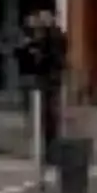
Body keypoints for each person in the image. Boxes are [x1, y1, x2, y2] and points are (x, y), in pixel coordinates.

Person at [32, 8, 67, 166]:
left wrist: (41, 55)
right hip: (44, 78)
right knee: (45, 117)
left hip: (51, 79)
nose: (42, 20)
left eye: (45, 17)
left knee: (51, 117)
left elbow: (56, 57)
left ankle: (53, 152)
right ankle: (48, 150)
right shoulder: (41, 35)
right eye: (41, 17)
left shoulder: (55, 35)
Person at [13, 10, 41, 119]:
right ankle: (27, 112)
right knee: (26, 93)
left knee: (34, 93)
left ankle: (34, 112)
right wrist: (24, 46)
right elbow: (16, 52)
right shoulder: (21, 35)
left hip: (34, 71)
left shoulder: (38, 35)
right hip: (24, 70)